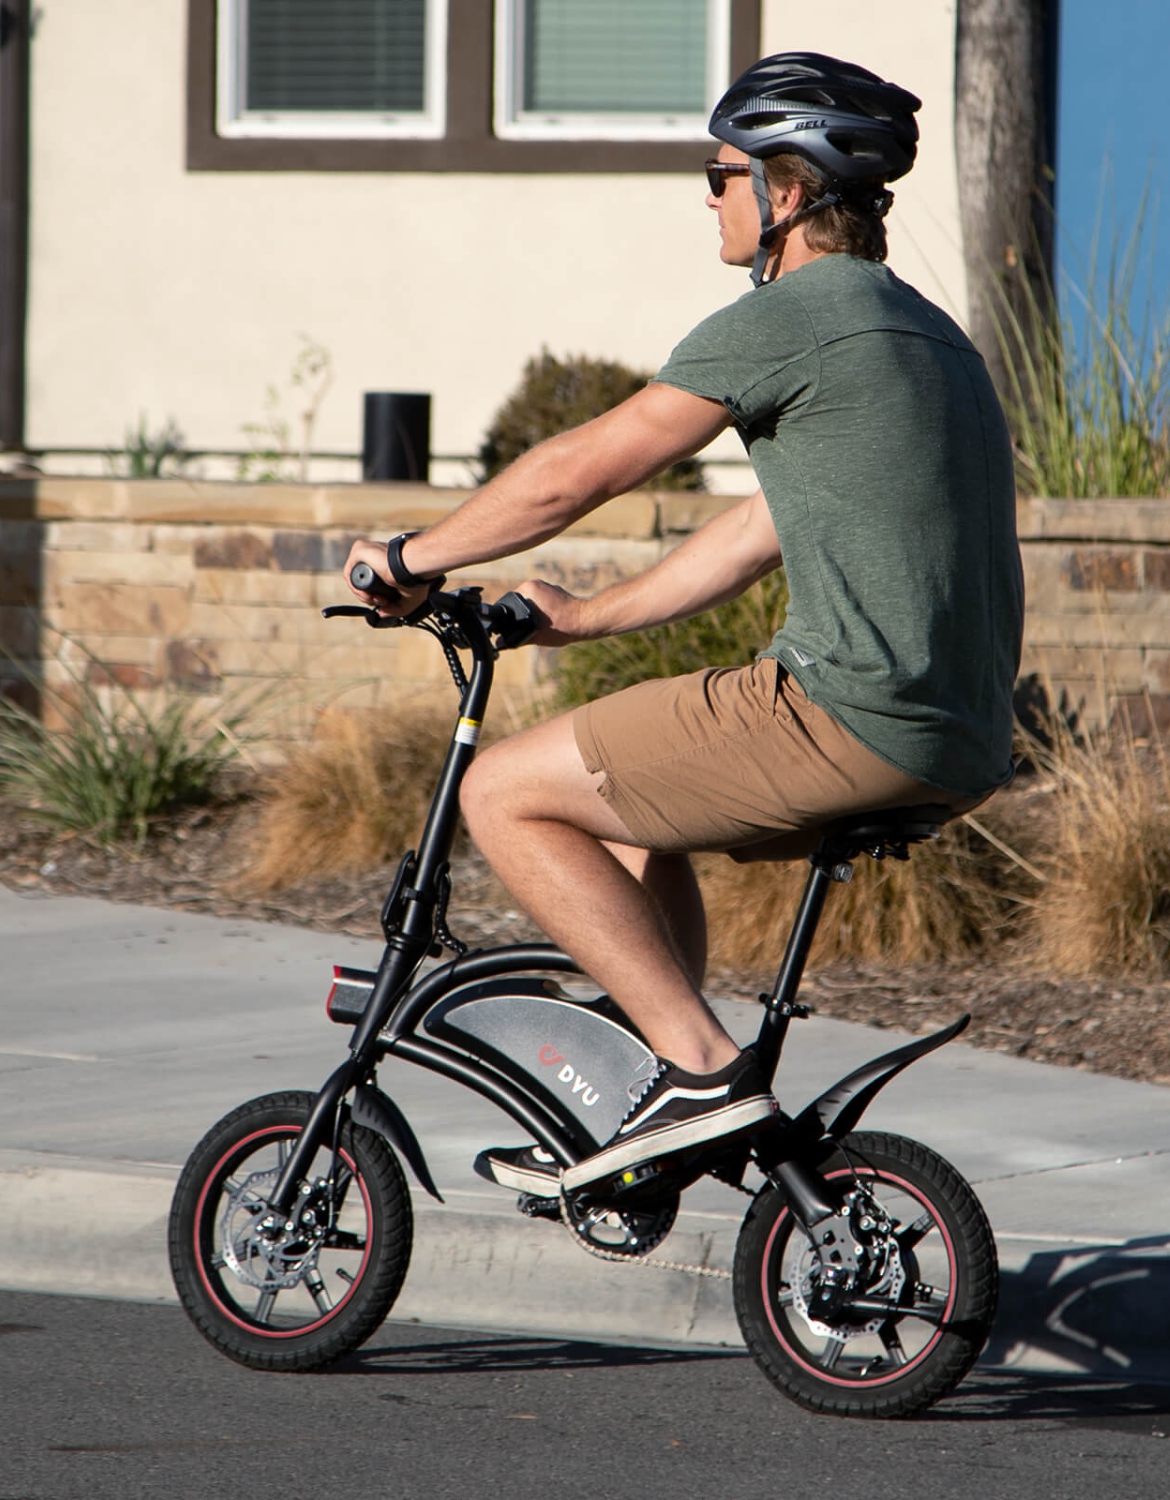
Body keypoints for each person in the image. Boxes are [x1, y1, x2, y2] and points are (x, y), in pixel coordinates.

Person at [342, 52, 1024, 1198]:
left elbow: (579, 472)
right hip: (957, 737)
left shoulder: (797, 316)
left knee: (502, 790)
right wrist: (585, 619)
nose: (707, 195)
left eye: (720, 174)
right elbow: (762, 525)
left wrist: (415, 556)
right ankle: (664, 1097)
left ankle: (695, 1071)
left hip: (844, 708)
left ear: (788, 193)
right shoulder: (927, 336)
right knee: (628, 815)